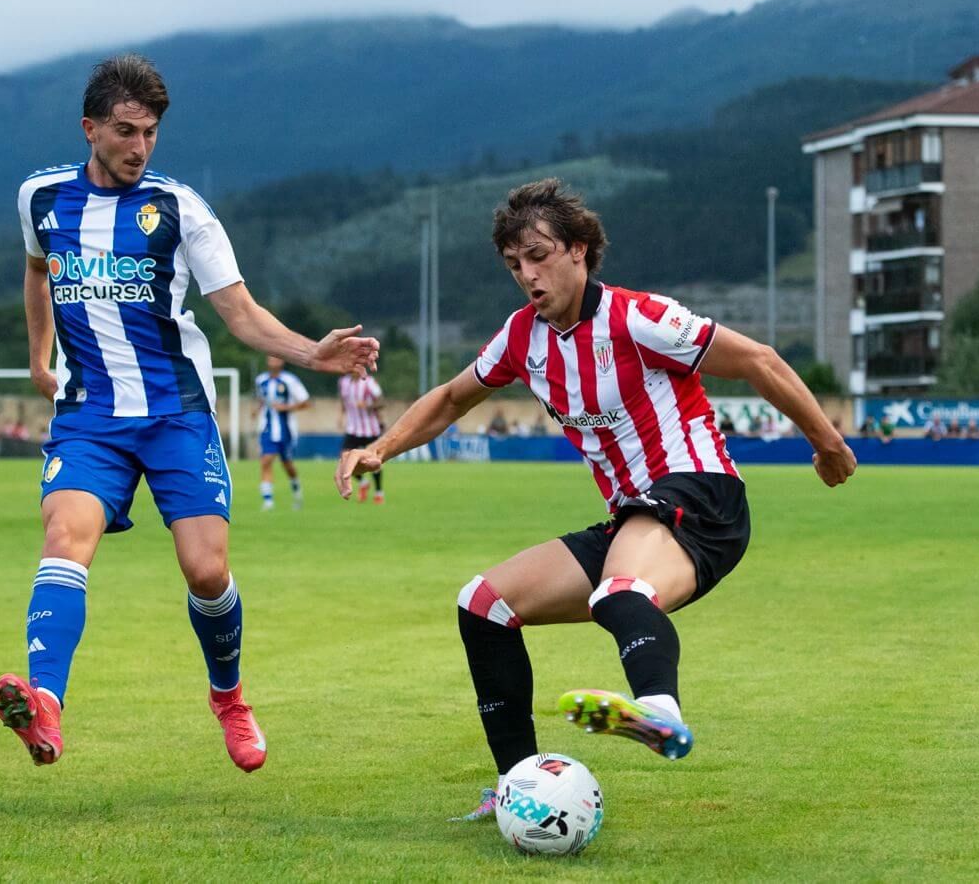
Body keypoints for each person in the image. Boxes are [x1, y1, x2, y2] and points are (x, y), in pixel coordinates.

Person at [334, 179, 855, 819]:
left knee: (618, 591)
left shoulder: (638, 317)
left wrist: (828, 443)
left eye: (539, 255)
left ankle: (659, 711)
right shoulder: (522, 337)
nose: (527, 274)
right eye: (514, 263)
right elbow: (449, 398)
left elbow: (759, 361)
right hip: (634, 514)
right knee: (484, 605)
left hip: (701, 495)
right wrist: (380, 449)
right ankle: (516, 787)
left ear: (579, 250)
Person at [0, 55, 379, 774]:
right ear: (89, 129)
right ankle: (44, 703)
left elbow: (240, 313)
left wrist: (311, 352)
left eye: (151, 133)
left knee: (206, 570)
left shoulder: (180, 209)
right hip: (89, 417)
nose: (139, 146)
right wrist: (40, 358)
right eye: (125, 130)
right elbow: (36, 271)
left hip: (176, 413)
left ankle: (229, 698)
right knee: (64, 537)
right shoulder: (40, 198)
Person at [255, 356, 310, 511]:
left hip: (286, 430)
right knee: (266, 460)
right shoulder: (261, 380)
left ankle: (297, 490)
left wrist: (286, 407)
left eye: (276, 358)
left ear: (282, 361)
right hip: (266, 428)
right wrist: (256, 410)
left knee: (287, 464)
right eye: (270, 358)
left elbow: (306, 403)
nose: (273, 361)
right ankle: (268, 501)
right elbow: (262, 399)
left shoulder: (290, 380)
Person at [339, 370, 387, 503]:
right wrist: (341, 416)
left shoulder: (369, 382)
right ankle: (363, 483)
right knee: (344, 461)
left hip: (370, 429)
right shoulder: (343, 382)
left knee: (375, 462)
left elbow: (382, 402)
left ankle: (379, 492)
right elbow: (344, 400)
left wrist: (368, 405)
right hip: (353, 429)